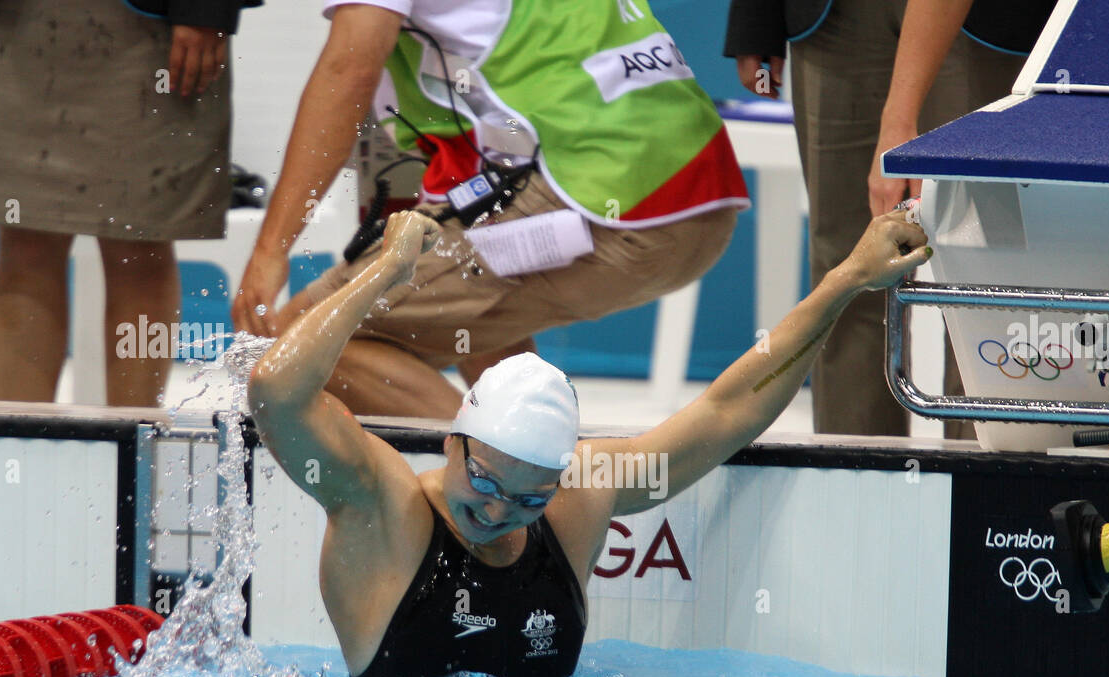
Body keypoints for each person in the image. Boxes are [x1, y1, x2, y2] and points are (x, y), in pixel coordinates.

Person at [248, 207, 929, 677]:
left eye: (528, 498)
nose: (497, 511)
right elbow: (275, 390)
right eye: (483, 483)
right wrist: (386, 273)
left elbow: (727, 409)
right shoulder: (383, 510)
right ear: (454, 441)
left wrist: (845, 282)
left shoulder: (577, 501)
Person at [234, 0, 749, 420]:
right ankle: (533, 476)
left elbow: (349, 69)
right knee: (467, 318)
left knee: (298, 346)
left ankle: (504, 499)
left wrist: (270, 248)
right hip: (701, 192)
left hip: (600, 193)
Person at [724, 0, 1051, 438]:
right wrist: (756, 16)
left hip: (979, 20)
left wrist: (899, 118)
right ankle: (855, 477)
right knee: (846, 270)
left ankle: (983, 485)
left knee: (981, 272)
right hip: (832, 19)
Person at [0, 0, 261, 406]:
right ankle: (22, 443)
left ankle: (136, 443)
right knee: (25, 243)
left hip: (151, 25)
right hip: (9, 21)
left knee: (140, 245)